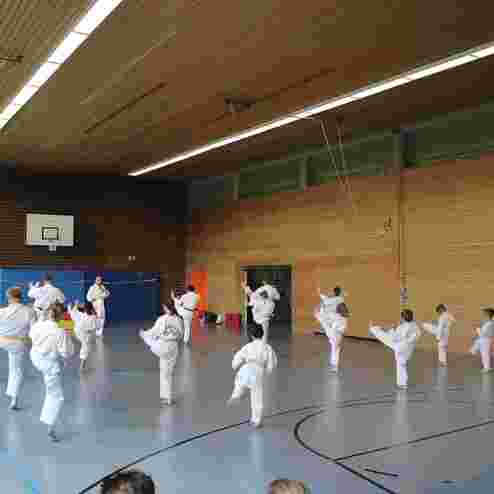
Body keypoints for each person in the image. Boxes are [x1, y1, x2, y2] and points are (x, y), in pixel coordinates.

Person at [29, 302, 75, 441]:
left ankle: (49, 421)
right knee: (56, 395)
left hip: (35, 356)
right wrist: (68, 333)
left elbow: (31, 335)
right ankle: (50, 427)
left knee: (51, 388)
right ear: (61, 316)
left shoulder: (39, 324)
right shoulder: (61, 331)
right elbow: (66, 353)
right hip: (48, 364)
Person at [228, 325, 278, 428]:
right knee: (257, 396)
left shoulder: (248, 346)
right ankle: (256, 420)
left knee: (239, 381)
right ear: (262, 334)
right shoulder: (267, 347)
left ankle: (237, 394)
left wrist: (234, 365)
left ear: (251, 336)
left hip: (247, 367)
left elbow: (238, 357)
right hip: (259, 370)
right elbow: (272, 363)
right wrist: (268, 371)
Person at [140, 302, 184, 405]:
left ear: (166, 308)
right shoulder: (179, 319)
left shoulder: (162, 319)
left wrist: (144, 333)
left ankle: (166, 396)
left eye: (164, 308)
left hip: (163, 346)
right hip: (174, 347)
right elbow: (181, 334)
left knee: (149, 340)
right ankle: (167, 397)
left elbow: (154, 332)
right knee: (167, 374)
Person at [0, 287, 36, 410]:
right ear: (20, 297)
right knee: (16, 370)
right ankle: (14, 399)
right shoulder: (29, 311)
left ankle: (12, 396)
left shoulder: (2, 311)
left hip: (2, 340)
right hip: (17, 343)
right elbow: (34, 331)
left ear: (9, 297)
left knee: (14, 369)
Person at [369, 309, 421, 389]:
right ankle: (402, 383)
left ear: (403, 318)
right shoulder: (415, 326)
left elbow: (394, 338)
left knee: (385, 337)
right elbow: (417, 335)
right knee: (402, 365)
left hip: (400, 347)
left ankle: (402, 384)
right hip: (408, 349)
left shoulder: (403, 327)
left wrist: (393, 329)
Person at [68, 301, 97, 371]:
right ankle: (82, 366)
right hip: (84, 334)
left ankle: (83, 366)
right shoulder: (92, 317)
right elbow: (92, 328)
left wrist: (75, 305)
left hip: (77, 332)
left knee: (85, 347)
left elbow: (72, 312)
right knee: (85, 347)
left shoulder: (80, 315)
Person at [320, 302, 349, 373]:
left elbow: (327, 314)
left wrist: (323, 307)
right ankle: (334, 366)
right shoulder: (345, 317)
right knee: (336, 350)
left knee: (324, 322)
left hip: (334, 334)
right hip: (339, 335)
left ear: (338, 309)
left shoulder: (335, 316)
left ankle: (334, 366)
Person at [470, 308, 494, 372]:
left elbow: (485, 333)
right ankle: (474, 350)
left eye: (484, 314)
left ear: (488, 315)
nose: (483, 315)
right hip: (482, 339)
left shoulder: (490, 323)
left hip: (486, 340)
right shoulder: (486, 323)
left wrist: (478, 329)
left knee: (485, 354)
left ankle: (487, 368)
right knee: (480, 351)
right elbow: (481, 332)